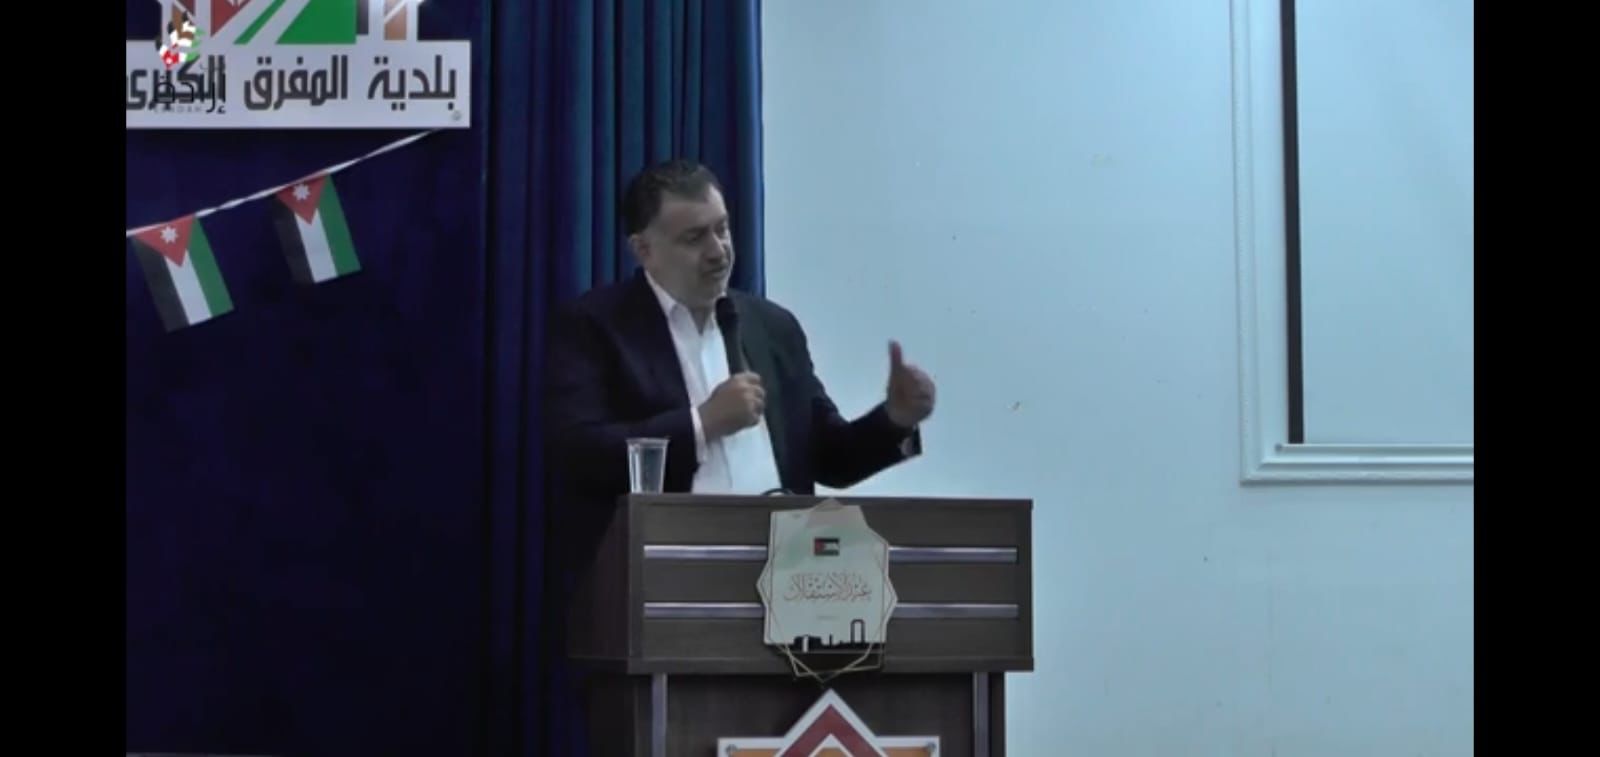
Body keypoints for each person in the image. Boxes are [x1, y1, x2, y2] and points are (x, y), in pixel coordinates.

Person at [543, 159, 936, 515]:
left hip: (782, 562)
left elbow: (831, 458)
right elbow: (578, 455)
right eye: (694, 238)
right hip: (661, 558)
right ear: (644, 249)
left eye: (722, 229)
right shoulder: (595, 326)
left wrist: (895, 419)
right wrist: (703, 423)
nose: (718, 251)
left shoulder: (773, 327)